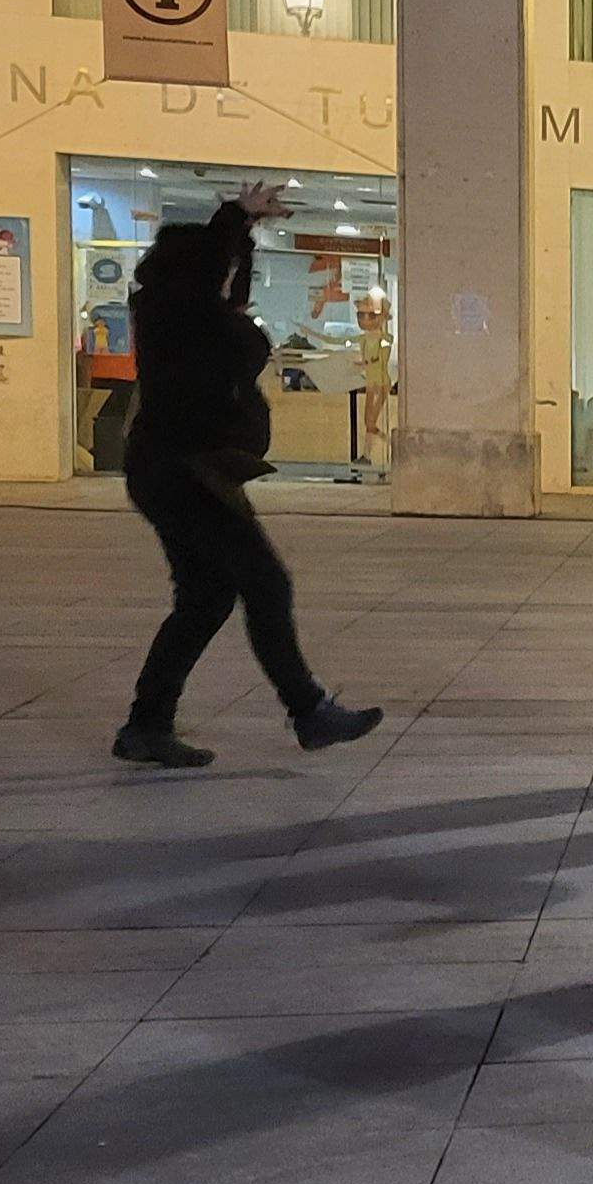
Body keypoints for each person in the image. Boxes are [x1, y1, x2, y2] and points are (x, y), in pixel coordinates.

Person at [112, 181, 381, 769]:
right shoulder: (173, 310)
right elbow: (216, 277)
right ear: (196, 267)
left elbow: (228, 293)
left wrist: (244, 235)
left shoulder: (188, 313)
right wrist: (234, 217)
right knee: (265, 583)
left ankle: (146, 725)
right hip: (184, 471)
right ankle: (308, 711)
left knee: (206, 599)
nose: (230, 272)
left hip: (184, 468)